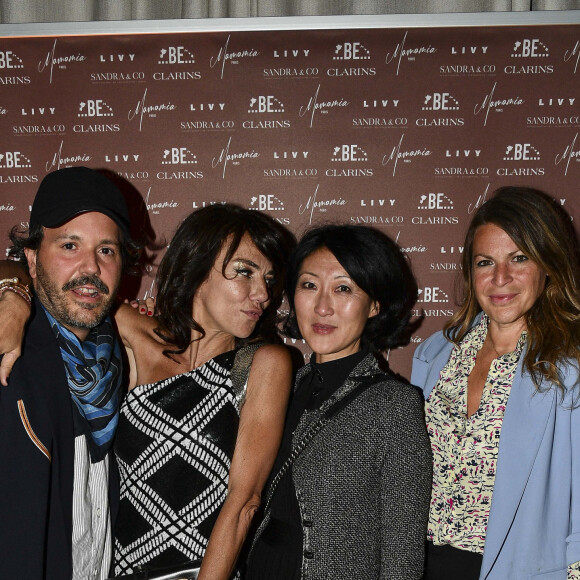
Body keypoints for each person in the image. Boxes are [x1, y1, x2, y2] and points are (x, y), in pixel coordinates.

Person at [0, 201, 294, 580]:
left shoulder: (265, 363)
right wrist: (12, 297)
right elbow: (38, 276)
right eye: (244, 273)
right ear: (198, 266)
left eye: (269, 280)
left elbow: (244, 502)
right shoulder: (133, 334)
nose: (262, 294)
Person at [411, 186, 580, 580]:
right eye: (485, 262)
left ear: (548, 264)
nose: (500, 277)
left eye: (519, 258)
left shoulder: (569, 368)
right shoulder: (436, 354)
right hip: (423, 565)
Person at [245, 224, 432, 580]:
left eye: (343, 288)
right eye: (309, 285)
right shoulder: (278, 387)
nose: (322, 307)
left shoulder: (395, 407)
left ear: (375, 304)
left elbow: (402, 555)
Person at [0, 166, 139, 580]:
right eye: (69, 245)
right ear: (32, 258)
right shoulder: (11, 345)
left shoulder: (120, 354)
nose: (91, 267)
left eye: (107, 250)